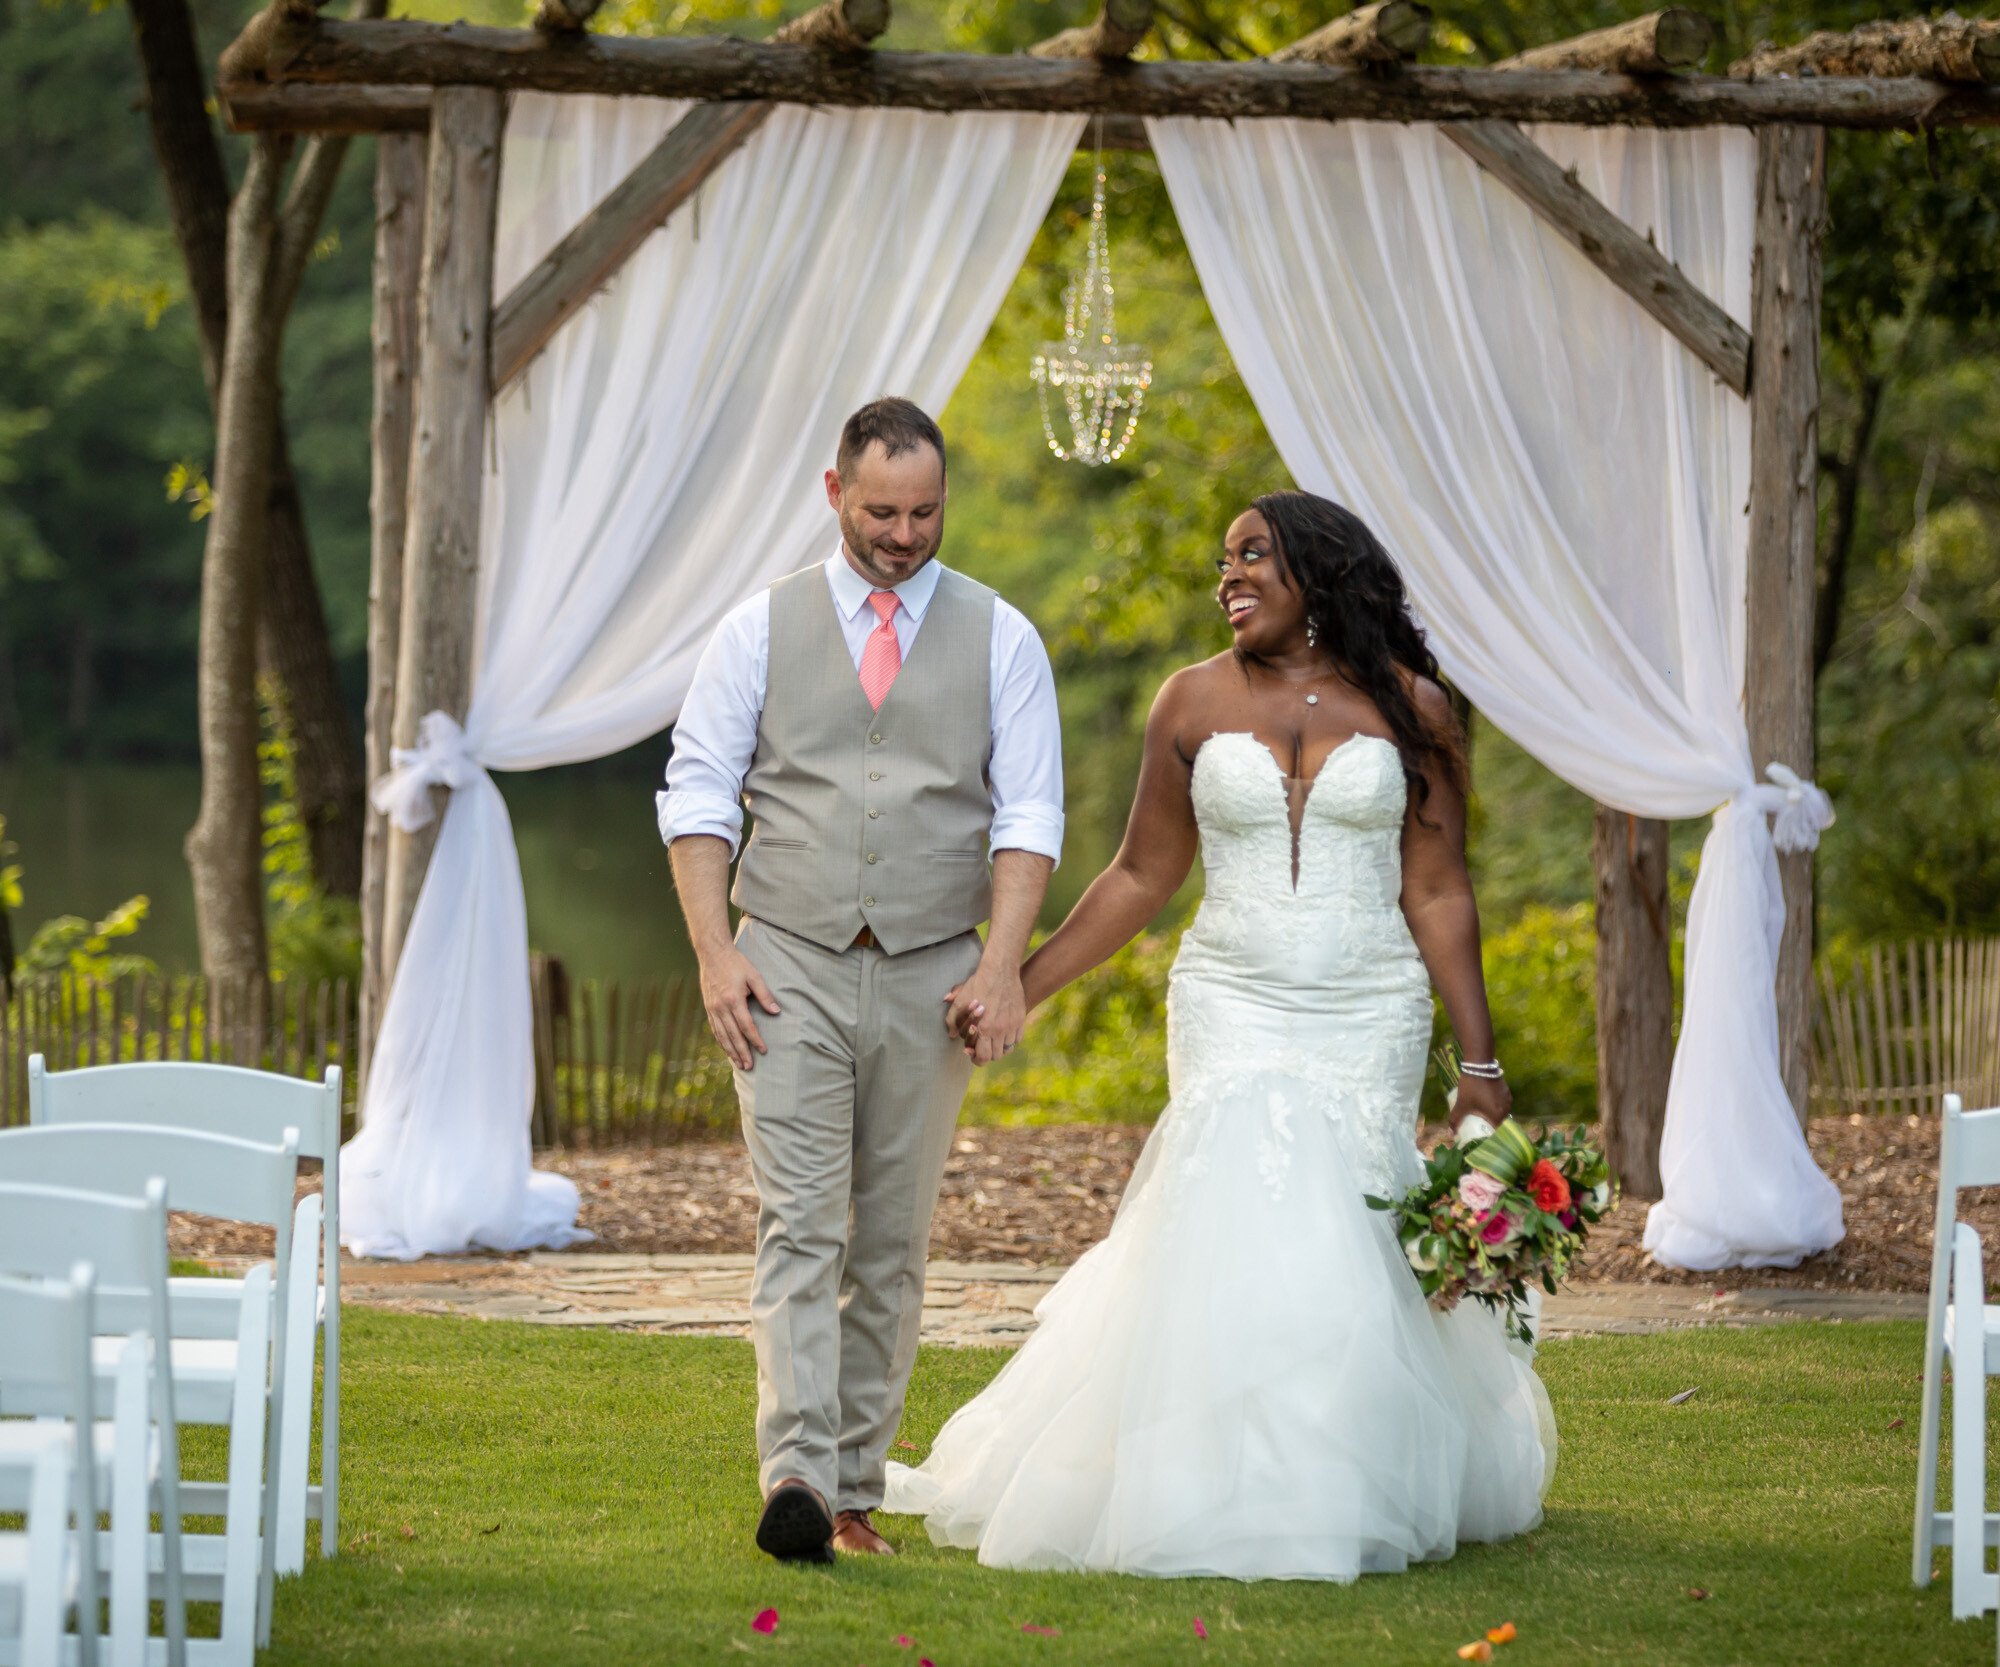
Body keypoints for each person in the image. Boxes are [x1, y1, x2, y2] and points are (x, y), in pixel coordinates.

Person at [891, 490, 1555, 1581]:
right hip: (1229, 994)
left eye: (1252, 555)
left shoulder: (1412, 708)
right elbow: (1140, 875)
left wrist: (1476, 1064)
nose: (1228, 576)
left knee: (1351, 1218)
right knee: (1232, 1209)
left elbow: (1436, 889)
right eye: (1222, 561)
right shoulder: (1187, 700)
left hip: (1366, 1002)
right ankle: (1210, 1477)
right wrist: (1017, 978)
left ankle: (1339, 1473)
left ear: (1318, 572)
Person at [657, 398, 1063, 1563]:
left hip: (934, 967)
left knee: (890, 1238)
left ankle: (851, 1492)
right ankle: (793, 1468)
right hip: (783, 958)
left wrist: (1000, 965)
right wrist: (712, 952)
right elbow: (695, 793)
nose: (902, 532)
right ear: (833, 491)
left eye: (924, 510)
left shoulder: (1000, 637)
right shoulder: (755, 629)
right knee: (799, 1223)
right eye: (880, 510)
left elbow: (1028, 812)